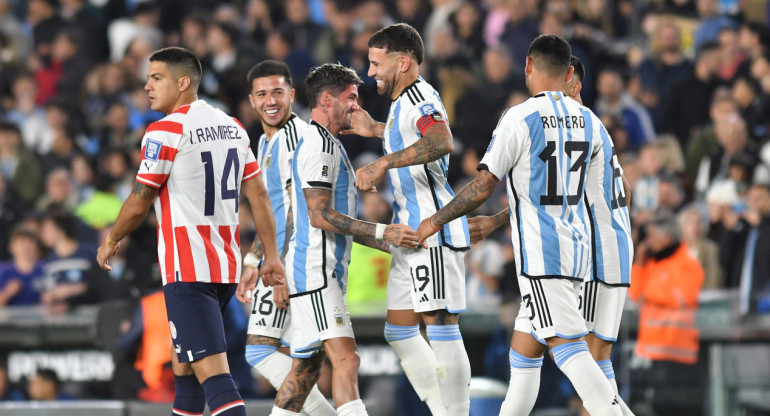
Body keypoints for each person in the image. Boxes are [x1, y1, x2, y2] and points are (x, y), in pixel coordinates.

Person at [415, 35, 622, 416]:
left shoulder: (519, 116)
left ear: (527, 66)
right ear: (569, 72)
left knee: (570, 351)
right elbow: (585, 194)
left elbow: (482, 185)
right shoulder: (591, 121)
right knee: (523, 359)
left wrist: (434, 220)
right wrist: (497, 220)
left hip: (543, 258)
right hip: (579, 253)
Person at [96, 46, 285, 416]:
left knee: (215, 378)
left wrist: (112, 238)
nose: (147, 85)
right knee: (183, 367)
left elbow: (140, 199)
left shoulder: (164, 130)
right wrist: (271, 255)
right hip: (224, 268)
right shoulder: (232, 126)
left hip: (188, 269)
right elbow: (259, 195)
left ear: (183, 83)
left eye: (156, 77)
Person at [464, 55, 635, 415]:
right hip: (613, 245)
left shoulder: (572, 124)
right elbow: (614, 192)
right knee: (524, 352)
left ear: (571, 83)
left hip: (588, 256)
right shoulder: (594, 126)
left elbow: (556, 196)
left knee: (587, 355)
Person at [266, 63, 418, 416]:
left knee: (304, 372)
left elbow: (336, 221)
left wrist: (392, 241)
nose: (356, 105)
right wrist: (384, 231)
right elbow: (320, 216)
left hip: (318, 270)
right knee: (347, 360)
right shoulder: (319, 147)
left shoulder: (329, 144)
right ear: (326, 99)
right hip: (317, 272)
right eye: (351, 97)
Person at [343, 23, 471, 416]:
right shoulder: (402, 101)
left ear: (402, 62)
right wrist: (375, 131)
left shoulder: (419, 96)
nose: (370, 73)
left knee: (441, 325)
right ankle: (441, 409)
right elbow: (410, 139)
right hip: (409, 235)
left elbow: (440, 140)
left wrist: (382, 162)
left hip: (430, 229)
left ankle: (458, 412)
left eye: (375, 63)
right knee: (398, 331)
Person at [240, 59, 335, 415]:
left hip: (296, 261)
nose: (271, 100)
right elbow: (271, 213)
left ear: (292, 95)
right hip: (280, 259)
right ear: (251, 100)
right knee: (298, 357)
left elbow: (300, 210)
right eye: (262, 93)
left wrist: (278, 269)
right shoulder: (266, 143)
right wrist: (253, 259)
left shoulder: (297, 138)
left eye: (278, 92)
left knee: (270, 351)